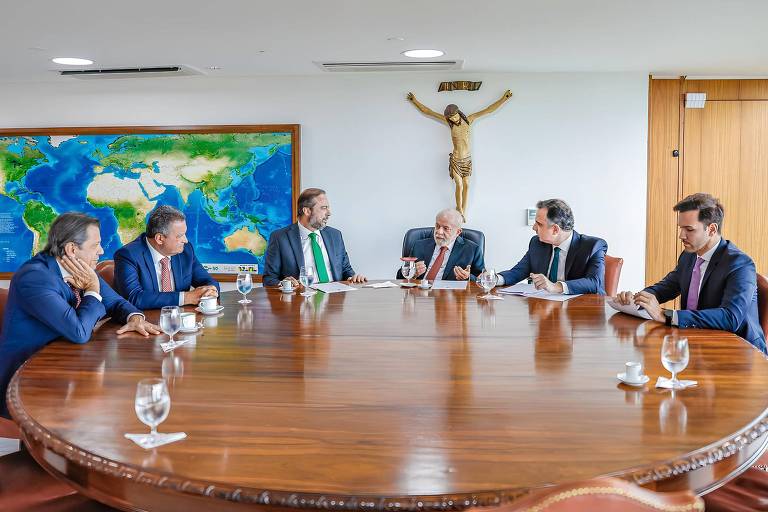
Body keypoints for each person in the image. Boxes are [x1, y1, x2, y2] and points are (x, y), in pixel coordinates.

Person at [0, 213, 160, 418]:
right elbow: (78, 332)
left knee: (110, 399)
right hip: (26, 382)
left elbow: (117, 303)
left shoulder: (80, 269)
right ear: (72, 249)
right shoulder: (35, 278)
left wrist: (135, 318)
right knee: (98, 412)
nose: (102, 251)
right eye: (96, 245)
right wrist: (93, 289)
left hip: (67, 366)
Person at [616, 193, 766, 353]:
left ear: (712, 229)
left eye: (689, 229)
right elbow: (667, 286)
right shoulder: (689, 255)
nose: (681, 235)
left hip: (738, 353)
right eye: (681, 228)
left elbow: (731, 317)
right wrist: (638, 299)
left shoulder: (740, 264)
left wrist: (667, 315)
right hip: (697, 344)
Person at [407, 90, 512, 218]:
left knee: (467, 184)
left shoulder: (469, 120)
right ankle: (460, 211)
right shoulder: (450, 123)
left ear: (459, 113)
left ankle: (462, 209)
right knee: (459, 183)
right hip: (456, 159)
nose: (454, 119)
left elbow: (488, 110)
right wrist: (415, 101)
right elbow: (428, 111)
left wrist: (503, 99)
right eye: (451, 118)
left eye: (455, 116)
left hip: (466, 160)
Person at [114, 205, 219, 310]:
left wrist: (211, 290)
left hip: (180, 319)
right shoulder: (128, 255)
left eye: (185, 234)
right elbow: (134, 298)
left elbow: (208, 281)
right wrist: (186, 297)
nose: (185, 240)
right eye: (180, 236)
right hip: (144, 321)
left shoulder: (185, 250)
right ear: (160, 238)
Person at [497, 199, 607, 295]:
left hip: (583, 312)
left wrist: (556, 287)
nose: (534, 228)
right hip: (547, 309)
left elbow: (594, 282)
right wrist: (495, 279)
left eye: (539, 224)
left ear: (555, 229)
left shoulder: (593, 246)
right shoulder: (537, 243)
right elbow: (518, 271)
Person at [263, 188, 366, 287]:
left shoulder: (335, 235)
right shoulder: (280, 238)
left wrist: (353, 277)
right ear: (307, 211)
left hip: (335, 299)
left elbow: (346, 270)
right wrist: (283, 283)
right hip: (300, 300)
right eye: (324, 208)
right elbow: (269, 279)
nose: (329, 213)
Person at [397, 208, 484, 281]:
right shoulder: (419, 245)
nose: (439, 231)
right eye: (437, 226)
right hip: (420, 296)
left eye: (446, 228)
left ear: (458, 232)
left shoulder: (472, 250)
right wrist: (412, 273)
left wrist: (468, 277)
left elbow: (481, 280)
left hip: (451, 298)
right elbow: (399, 277)